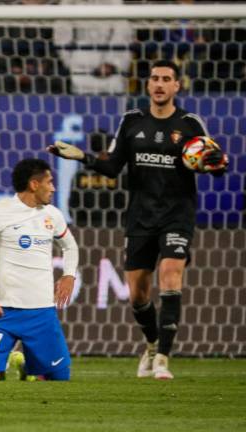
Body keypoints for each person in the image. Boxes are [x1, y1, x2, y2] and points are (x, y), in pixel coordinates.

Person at [48, 60, 229, 379]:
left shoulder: (190, 123)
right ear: (147, 85)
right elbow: (113, 166)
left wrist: (216, 166)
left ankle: (163, 358)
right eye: (154, 79)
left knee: (170, 273)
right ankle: (151, 343)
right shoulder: (131, 121)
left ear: (177, 86)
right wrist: (82, 157)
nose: (159, 84)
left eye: (166, 79)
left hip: (177, 215)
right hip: (140, 217)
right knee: (138, 294)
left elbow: (215, 162)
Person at [0, 158, 79, 382]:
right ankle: (9, 363)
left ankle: (25, 364)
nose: (53, 188)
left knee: (60, 378)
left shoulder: (53, 214)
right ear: (34, 184)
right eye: (49, 182)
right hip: (4, 312)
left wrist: (69, 274)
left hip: (42, 313)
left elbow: (70, 246)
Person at [53, 0, 132, 95]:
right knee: (82, 105)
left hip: (111, 68)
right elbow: (61, 32)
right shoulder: (68, 2)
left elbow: (123, 30)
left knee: (113, 104)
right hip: (80, 65)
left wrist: (112, 63)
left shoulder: (114, 2)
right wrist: (71, 62)